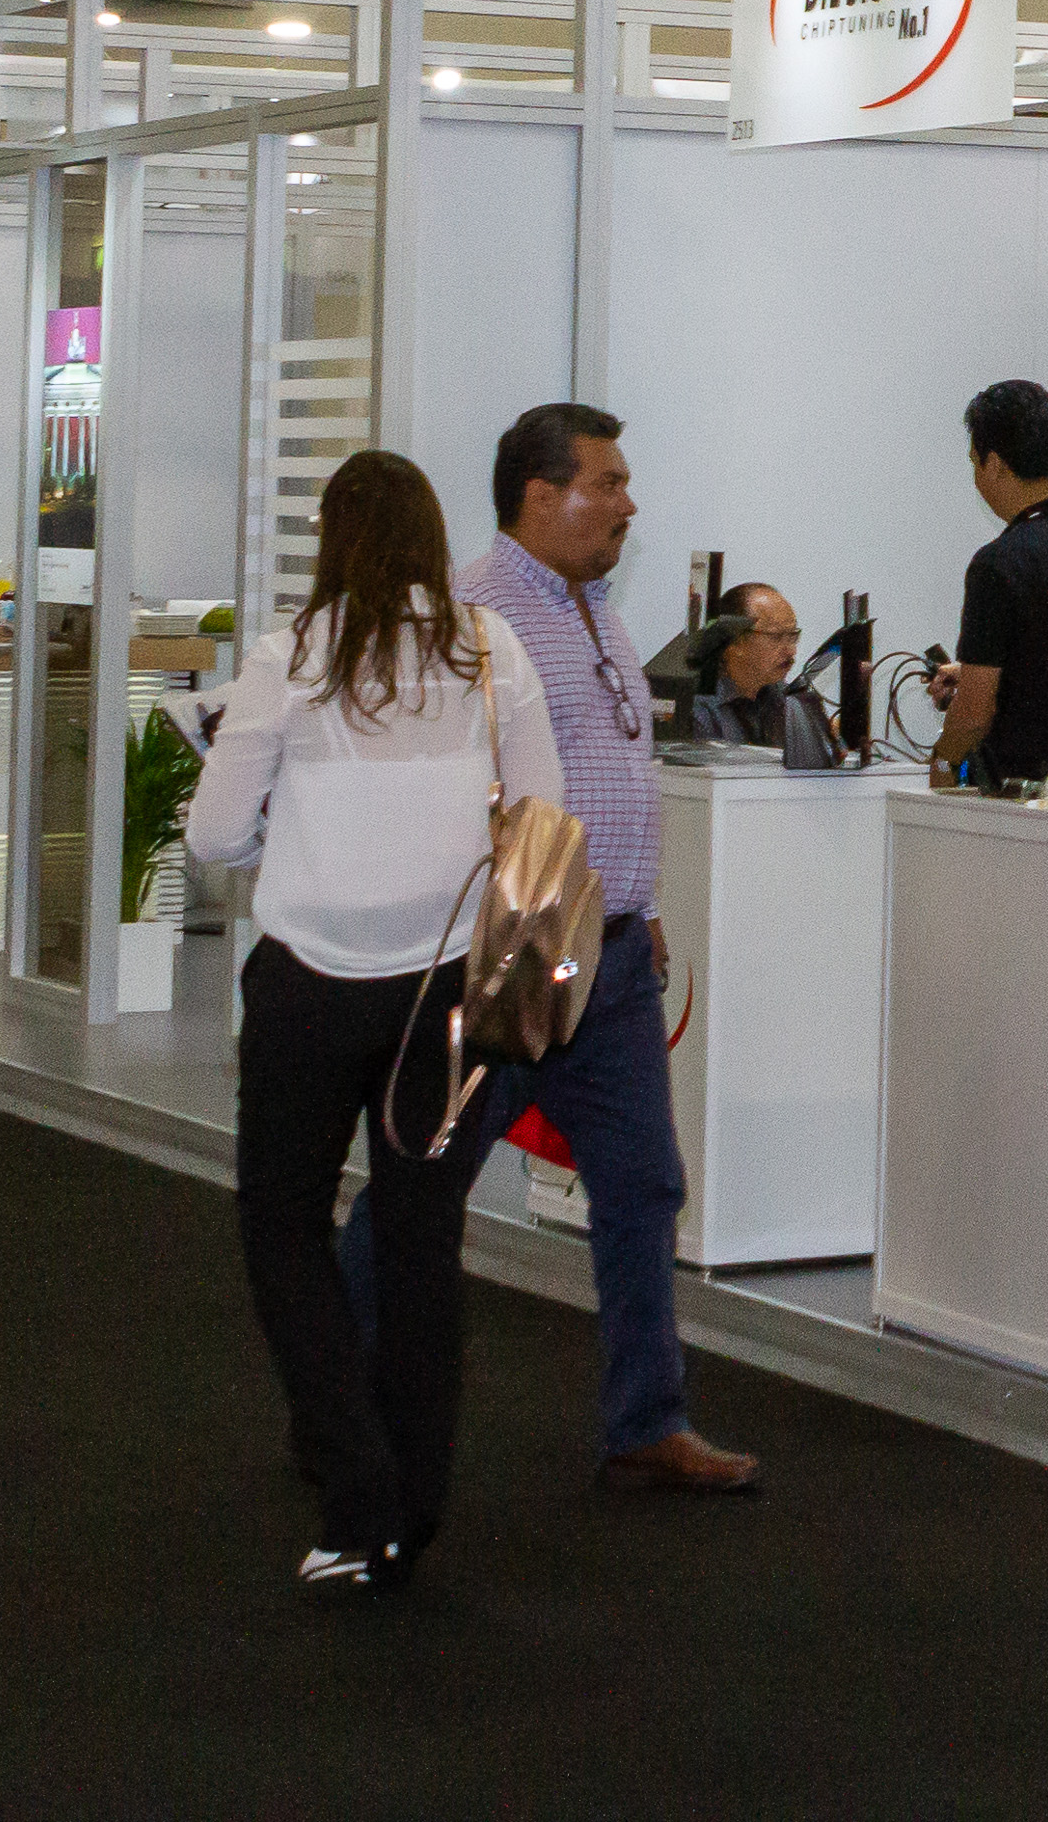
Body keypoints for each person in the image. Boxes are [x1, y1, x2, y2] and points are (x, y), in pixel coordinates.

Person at [192, 446, 564, 1589]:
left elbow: (212, 839)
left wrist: (273, 831)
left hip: (309, 984)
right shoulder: (490, 648)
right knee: (419, 1242)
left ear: (334, 538)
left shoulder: (287, 657)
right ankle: (414, 1501)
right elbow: (541, 821)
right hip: (444, 989)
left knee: (284, 1226)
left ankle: (354, 1483)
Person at [440, 401, 766, 1494]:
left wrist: (640, 897)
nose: (629, 504)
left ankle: (645, 1422)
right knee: (426, 1181)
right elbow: (466, 791)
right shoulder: (479, 613)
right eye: (608, 483)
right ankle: (340, 1384)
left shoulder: (589, 606)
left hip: (612, 952)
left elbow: (612, 765)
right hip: (518, 951)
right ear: (542, 496)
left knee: (641, 1185)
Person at [927, 379, 1048, 786]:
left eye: (974, 462)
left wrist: (942, 766)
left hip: (1027, 794)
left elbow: (972, 717)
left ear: (995, 464)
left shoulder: (999, 562)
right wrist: (973, 671)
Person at [682, 581, 799, 746]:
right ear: (735, 642)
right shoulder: (697, 708)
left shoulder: (787, 699)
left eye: (793, 636)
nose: (791, 651)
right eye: (776, 637)